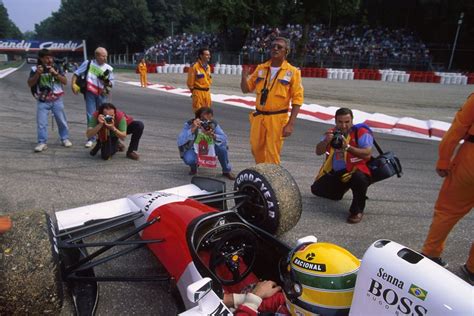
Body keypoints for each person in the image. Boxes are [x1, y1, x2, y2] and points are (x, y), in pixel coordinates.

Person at [421, 93, 474, 285]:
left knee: (447, 211)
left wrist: (444, 160)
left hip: (470, 162)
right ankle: (473, 269)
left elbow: (456, 130)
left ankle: (430, 253)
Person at [240, 36, 304, 164]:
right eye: (273, 46)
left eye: (279, 47)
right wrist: (243, 77)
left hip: (277, 119)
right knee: (256, 148)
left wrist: (290, 124)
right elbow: (246, 89)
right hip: (259, 117)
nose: (275, 49)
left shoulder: (293, 72)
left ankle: (272, 179)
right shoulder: (261, 68)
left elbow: (297, 99)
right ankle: (262, 173)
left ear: (286, 51)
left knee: (272, 152)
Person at [311, 108, 373, 224]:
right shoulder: (331, 133)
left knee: (359, 178)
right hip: (338, 172)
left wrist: (348, 147)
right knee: (316, 190)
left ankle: (357, 210)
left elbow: (367, 154)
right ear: (335, 121)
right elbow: (318, 151)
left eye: (347, 122)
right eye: (340, 122)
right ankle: (343, 189)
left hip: (356, 170)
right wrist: (326, 141)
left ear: (352, 120)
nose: (343, 125)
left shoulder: (361, 132)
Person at [27, 48, 72, 152]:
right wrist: (38, 74)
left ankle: (65, 138)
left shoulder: (56, 67)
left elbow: (65, 82)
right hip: (43, 100)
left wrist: (55, 74)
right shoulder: (35, 69)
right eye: (47, 58)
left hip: (57, 99)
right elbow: (30, 84)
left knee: (61, 120)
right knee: (41, 122)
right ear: (41, 59)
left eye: (51, 57)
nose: (49, 60)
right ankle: (42, 142)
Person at [72, 47, 114, 148]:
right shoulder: (88, 63)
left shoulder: (109, 68)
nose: (105, 58)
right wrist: (73, 84)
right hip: (90, 92)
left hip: (102, 94)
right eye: (103, 56)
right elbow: (76, 73)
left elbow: (112, 84)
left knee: (105, 114)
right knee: (91, 115)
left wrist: (106, 81)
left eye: (106, 56)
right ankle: (91, 138)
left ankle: (105, 136)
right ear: (97, 56)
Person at [177, 107, 235, 180]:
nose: (205, 122)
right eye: (203, 119)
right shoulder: (189, 124)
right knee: (189, 159)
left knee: (222, 149)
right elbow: (180, 141)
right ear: (197, 118)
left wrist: (214, 135)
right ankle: (194, 167)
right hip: (194, 149)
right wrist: (192, 129)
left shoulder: (213, 124)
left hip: (209, 148)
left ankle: (226, 170)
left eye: (208, 119)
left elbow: (224, 138)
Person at [187, 48, 212, 113]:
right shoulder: (194, 66)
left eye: (209, 55)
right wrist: (194, 93)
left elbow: (209, 80)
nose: (209, 56)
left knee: (207, 115)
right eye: (207, 55)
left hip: (207, 93)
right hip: (198, 92)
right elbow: (190, 82)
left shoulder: (208, 67)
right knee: (199, 114)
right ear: (201, 56)